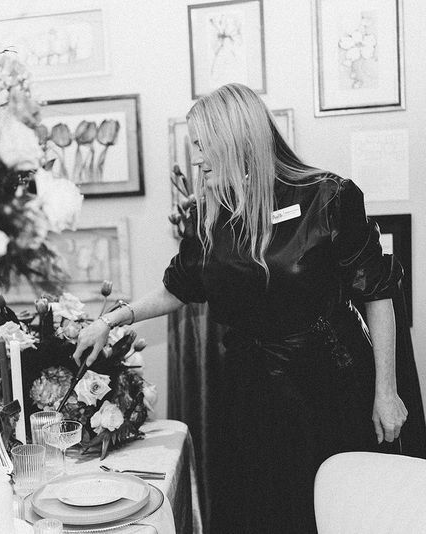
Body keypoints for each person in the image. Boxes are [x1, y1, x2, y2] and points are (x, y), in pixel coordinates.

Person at [72, 83, 425, 533]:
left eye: (203, 145)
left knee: (331, 508)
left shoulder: (328, 197)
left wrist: (386, 392)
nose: (197, 158)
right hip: (248, 393)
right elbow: (180, 287)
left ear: (235, 139)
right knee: (260, 511)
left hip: (330, 390)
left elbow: (377, 295)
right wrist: (111, 319)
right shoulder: (210, 214)